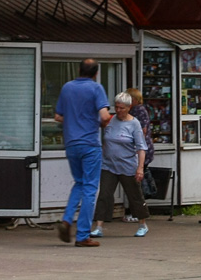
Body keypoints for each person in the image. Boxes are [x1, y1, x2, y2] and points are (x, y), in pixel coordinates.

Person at [55, 59, 111, 246]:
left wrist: (73, 121)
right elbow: (104, 116)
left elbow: (58, 116)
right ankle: (82, 236)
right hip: (89, 143)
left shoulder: (67, 88)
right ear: (95, 73)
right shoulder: (96, 88)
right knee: (89, 188)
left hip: (71, 143)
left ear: (79, 70)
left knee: (79, 182)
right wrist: (101, 123)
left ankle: (67, 219)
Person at [90, 91, 150, 238]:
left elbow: (141, 148)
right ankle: (99, 226)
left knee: (134, 196)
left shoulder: (134, 123)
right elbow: (106, 141)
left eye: (122, 108)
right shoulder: (111, 120)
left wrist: (140, 168)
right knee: (104, 195)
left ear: (129, 107)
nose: (118, 110)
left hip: (128, 166)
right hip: (109, 165)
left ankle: (142, 224)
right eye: (116, 107)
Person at [125, 88, 154, 222]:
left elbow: (142, 131)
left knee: (136, 183)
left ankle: (137, 212)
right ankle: (138, 211)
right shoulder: (138, 110)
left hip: (140, 150)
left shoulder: (138, 111)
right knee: (137, 181)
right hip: (141, 148)